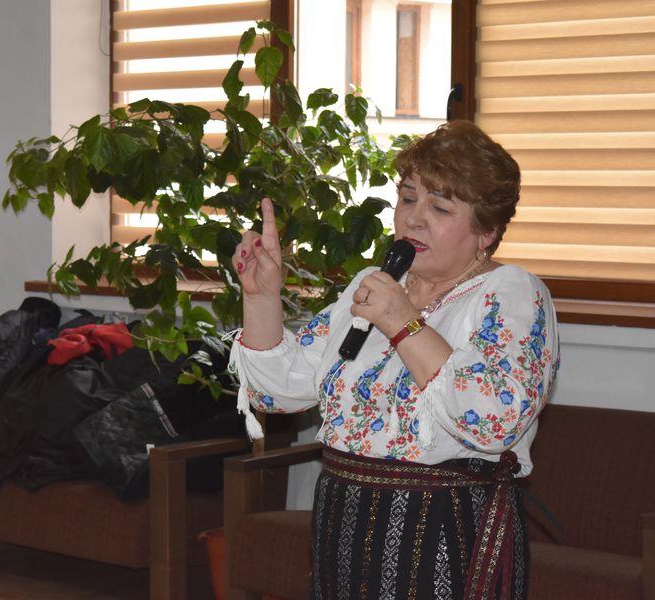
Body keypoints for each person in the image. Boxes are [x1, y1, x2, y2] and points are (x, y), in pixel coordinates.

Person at [229, 120, 559, 600]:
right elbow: (277, 392)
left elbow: (494, 418)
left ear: (486, 230)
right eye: (407, 198)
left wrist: (403, 322)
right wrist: (261, 298)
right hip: (341, 524)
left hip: (444, 532)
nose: (413, 220)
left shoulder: (511, 293)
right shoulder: (375, 282)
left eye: (439, 207)